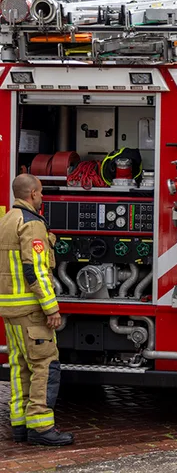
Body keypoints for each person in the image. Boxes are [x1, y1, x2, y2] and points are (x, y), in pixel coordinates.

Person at [0, 174, 73, 446]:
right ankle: (41, 427)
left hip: (10, 310)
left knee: (19, 367)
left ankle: (19, 424)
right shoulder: (31, 225)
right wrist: (51, 307)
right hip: (31, 310)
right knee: (45, 365)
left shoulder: (5, 221)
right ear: (32, 194)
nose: (42, 197)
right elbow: (36, 270)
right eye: (41, 192)